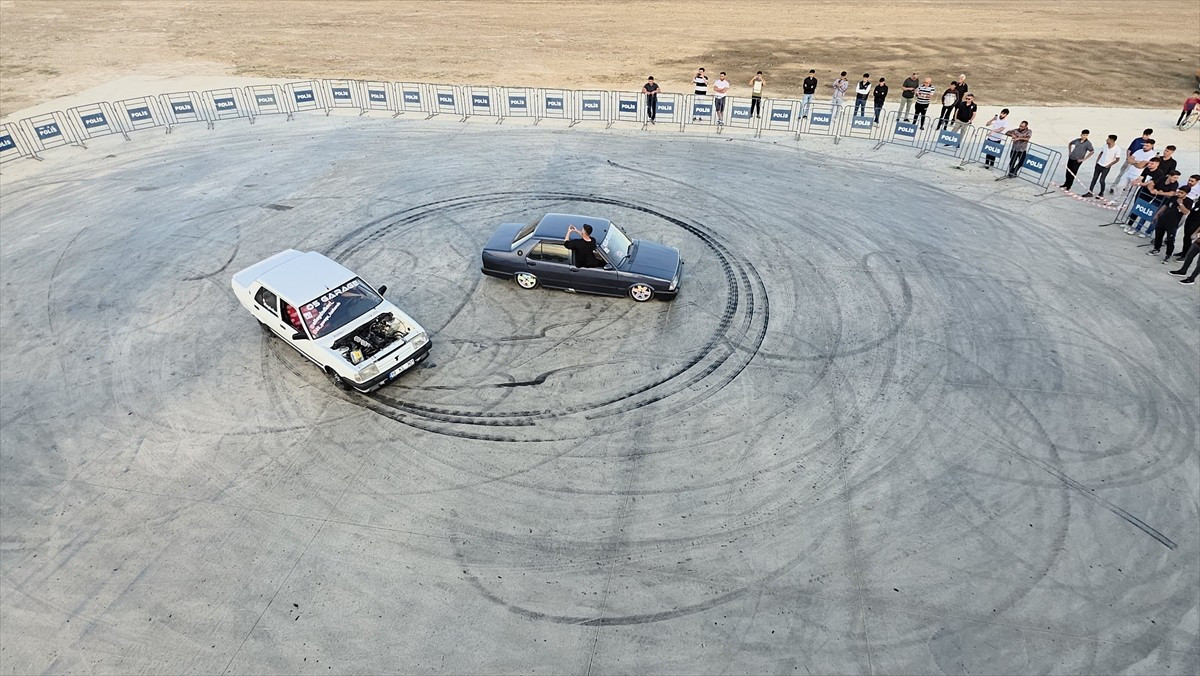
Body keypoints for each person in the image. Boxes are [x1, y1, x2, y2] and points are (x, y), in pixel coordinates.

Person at [1148, 187, 1192, 260]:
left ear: (1186, 194)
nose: (1179, 194)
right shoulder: (1173, 197)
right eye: (1179, 192)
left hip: (1173, 223)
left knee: (1170, 240)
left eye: (1182, 193)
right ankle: (1156, 249)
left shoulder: (1188, 201)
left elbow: (1186, 212)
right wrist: (1157, 214)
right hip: (1163, 219)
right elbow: (1165, 206)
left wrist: (1181, 204)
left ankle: (1168, 254)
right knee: (1158, 235)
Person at [1112, 128, 1153, 193]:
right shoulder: (1137, 140)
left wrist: (1139, 163)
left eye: (1146, 135)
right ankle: (1114, 186)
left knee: (1132, 177)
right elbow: (1129, 149)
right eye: (1144, 134)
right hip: (1131, 159)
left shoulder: (1150, 144)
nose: (1144, 136)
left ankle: (1125, 188)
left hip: (1138, 164)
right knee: (1122, 173)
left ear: (1149, 135)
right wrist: (1128, 158)